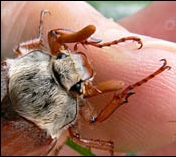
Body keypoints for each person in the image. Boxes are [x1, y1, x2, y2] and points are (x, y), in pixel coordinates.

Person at [1, 1, 176, 156]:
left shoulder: (8, 68)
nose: (75, 62)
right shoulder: (42, 134)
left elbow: (23, 47)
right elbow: (89, 125)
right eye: (77, 85)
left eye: (62, 57)